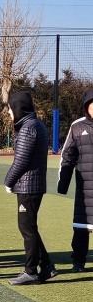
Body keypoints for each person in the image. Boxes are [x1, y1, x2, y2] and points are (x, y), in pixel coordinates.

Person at [4, 91, 57, 285]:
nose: (9, 112)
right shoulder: (37, 124)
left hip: (28, 186)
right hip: (33, 184)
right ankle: (48, 266)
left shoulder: (28, 128)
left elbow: (21, 161)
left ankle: (31, 271)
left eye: (10, 108)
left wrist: (8, 181)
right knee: (31, 227)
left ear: (18, 107)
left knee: (26, 228)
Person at [57, 87, 93, 272]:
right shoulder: (77, 127)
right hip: (85, 187)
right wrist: (63, 183)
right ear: (86, 107)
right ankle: (78, 262)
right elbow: (67, 156)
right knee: (81, 227)